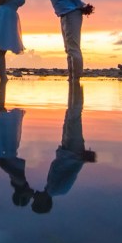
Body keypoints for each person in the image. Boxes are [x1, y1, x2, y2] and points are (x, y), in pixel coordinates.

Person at [31, 80, 95, 214]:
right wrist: (82, 158)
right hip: (73, 150)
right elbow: (72, 174)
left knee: (70, 116)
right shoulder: (57, 190)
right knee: (74, 117)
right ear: (43, 202)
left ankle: (76, 87)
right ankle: (77, 87)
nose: (34, 198)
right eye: (35, 201)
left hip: (67, 149)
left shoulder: (51, 188)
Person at [30, 0, 94, 80]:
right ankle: (72, 77)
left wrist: (81, 6)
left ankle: (76, 78)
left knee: (73, 47)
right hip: (64, 15)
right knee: (68, 48)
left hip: (71, 13)